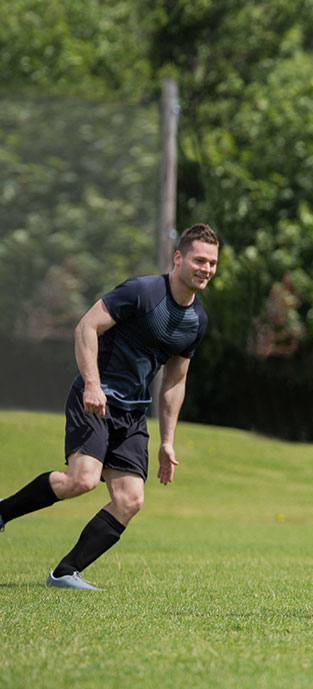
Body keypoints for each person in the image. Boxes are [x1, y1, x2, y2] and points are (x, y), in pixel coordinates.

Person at [0, 224, 219, 591]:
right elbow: (86, 327)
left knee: (130, 500)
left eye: (212, 263)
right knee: (81, 480)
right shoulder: (143, 291)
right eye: (199, 260)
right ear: (178, 257)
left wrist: (168, 441)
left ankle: (66, 573)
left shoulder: (197, 321)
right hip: (96, 399)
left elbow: (175, 381)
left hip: (133, 413)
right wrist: (91, 384)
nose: (206, 269)